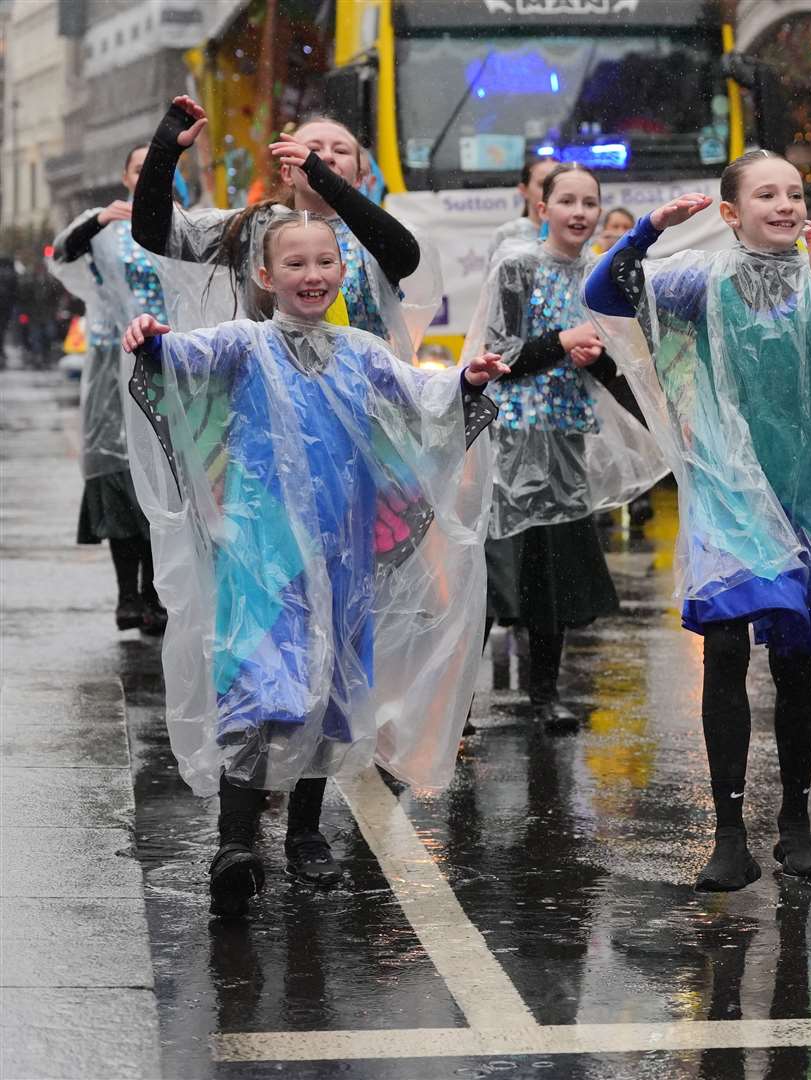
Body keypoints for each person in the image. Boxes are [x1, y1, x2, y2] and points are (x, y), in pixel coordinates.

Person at [122, 214, 506, 918]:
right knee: (261, 686)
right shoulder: (242, 345)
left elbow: (424, 401)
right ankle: (234, 844)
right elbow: (185, 362)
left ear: (340, 271)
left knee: (328, 688)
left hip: (344, 547)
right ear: (265, 278)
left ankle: (303, 833)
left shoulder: (361, 353)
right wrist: (153, 344)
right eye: (294, 264)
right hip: (261, 549)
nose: (312, 276)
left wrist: (465, 382)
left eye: (325, 261)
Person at [585, 150, 811, 890]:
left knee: (796, 661)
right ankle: (728, 833)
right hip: (729, 489)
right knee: (728, 647)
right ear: (731, 212)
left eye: (795, 192)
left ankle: (795, 825)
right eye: (766, 193)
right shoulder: (698, 281)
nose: (786, 204)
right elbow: (604, 293)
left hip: (808, 491)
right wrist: (644, 232)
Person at [464, 163, 665, 730]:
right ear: (541, 207)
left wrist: (594, 357)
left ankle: (545, 695)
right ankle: (458, 708)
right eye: (567, 201)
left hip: (565, 442)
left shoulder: (598, 278)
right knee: (493, 578)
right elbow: (496, 354)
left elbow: (611, 366)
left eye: (589, 202)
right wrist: (560, 341)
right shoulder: (516, 267)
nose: (579, 213)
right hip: (510, 443)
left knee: (551, 580)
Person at [131, 96, 430, 348]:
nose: (326, 157)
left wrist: (322, 176)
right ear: (287, 173)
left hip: (364, 401)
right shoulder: (257, 225)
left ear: (361, 176)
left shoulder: (376, 232)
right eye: (313, 150)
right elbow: (155, 234)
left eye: (340, 151)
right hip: (274, 404)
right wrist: (163, 153)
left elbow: (405, 255)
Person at [48, 146, 173, 635]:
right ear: (125, 176)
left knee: (163, 475)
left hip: (166, 360)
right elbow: (64, 253)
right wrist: (99, 219)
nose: (146, 176)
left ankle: (156, 591)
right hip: (109, 361)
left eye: (155, 167)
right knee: (114, 468)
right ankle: (127, 594)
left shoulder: (182, 226)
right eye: (139, 168)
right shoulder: (105, 227)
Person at [486, 155, 560, 263]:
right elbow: (492, 277)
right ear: (524, 190)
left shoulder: (574, 232)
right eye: (543, 184)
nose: (551, 191)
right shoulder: (506, 234)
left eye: (557, 185)